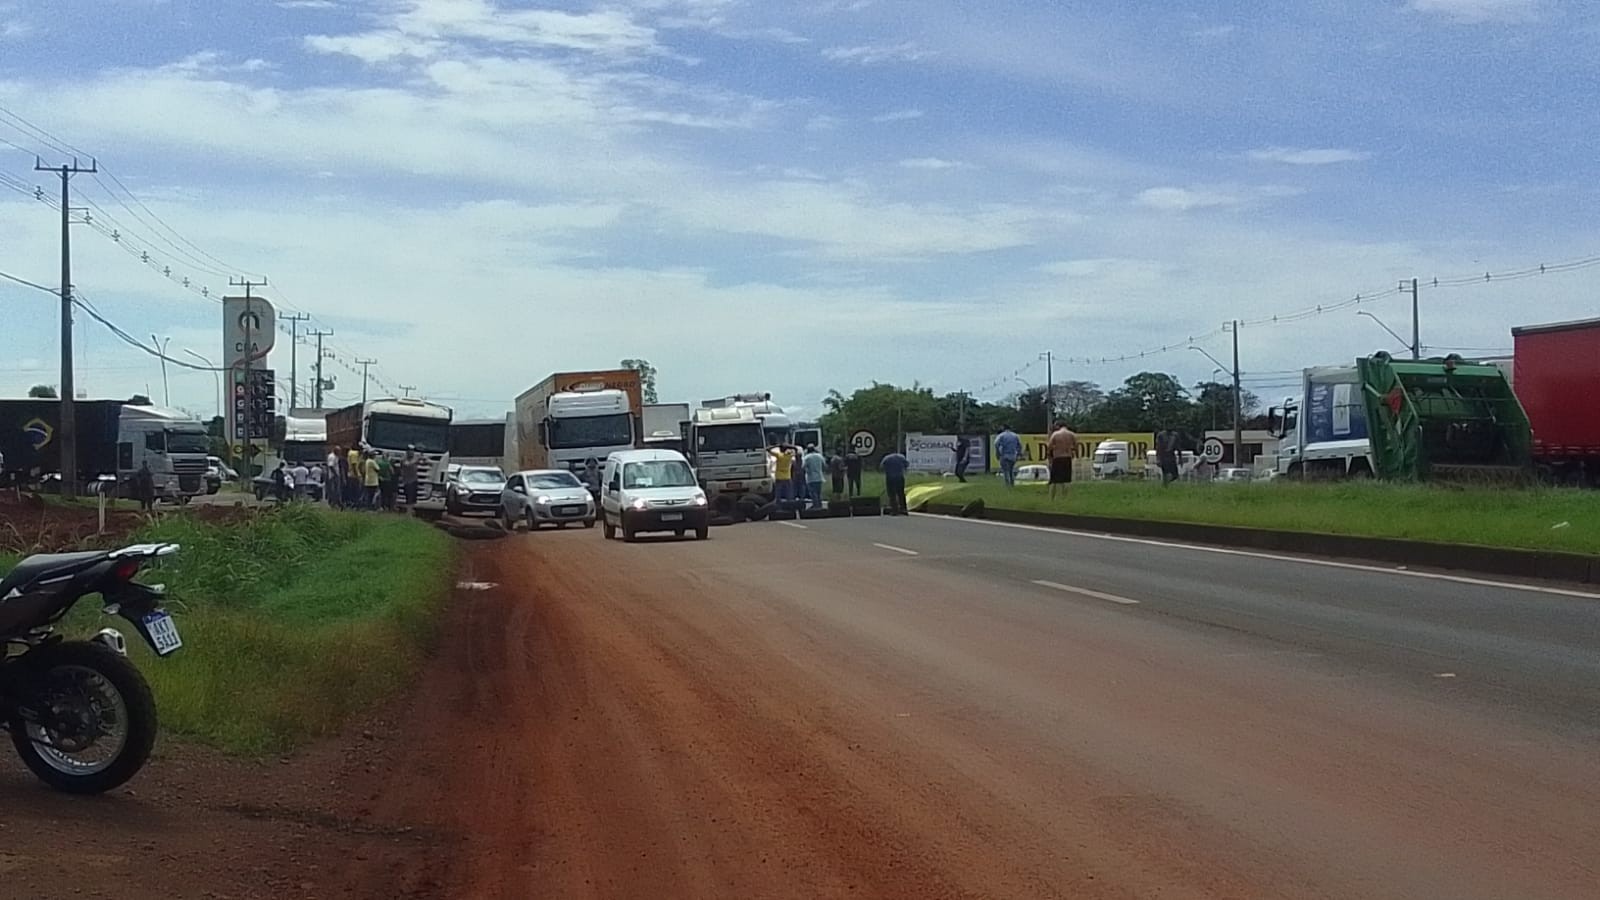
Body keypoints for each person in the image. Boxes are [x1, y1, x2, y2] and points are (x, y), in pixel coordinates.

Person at [1046, 420, 1077, 500]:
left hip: (1057, 458)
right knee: (1066, 480)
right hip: (1067, 457)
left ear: (1058, 426)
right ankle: (1065, 498)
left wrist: (1050, 457)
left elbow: (1049, 447)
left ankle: (1052, 498)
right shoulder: (1072, 434)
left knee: (1054, 480)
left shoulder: (1055, 434)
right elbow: (1075, 447)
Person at [881, 446, 909, 516]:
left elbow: (881, 467)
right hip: (900, 477)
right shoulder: (901, 457)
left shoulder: (886, 458)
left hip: (890, 478)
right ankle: (903, 509)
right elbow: (907, 465)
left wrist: (887, 470)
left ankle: (895, 510)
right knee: (901, 494)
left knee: (892, 494)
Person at [801, 445, 826, 510]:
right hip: (819, 476)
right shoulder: (819, 456)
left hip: (811, 477)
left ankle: (815, 505)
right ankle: (819, 505)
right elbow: (824, 465)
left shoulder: (807, 457)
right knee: (818, 492)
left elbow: (803, 467)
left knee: (813, 493)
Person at [771, 444, 795, 508]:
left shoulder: (778, 455)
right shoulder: (789, 456)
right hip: (787, 476)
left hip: (779, 476)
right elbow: (796, 449)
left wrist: (776, 445)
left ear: (780, 449)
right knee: (789, 491)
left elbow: (767, 449)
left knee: (778, 492)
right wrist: (789, 446)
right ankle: (789, 504)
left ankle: (778, 505)